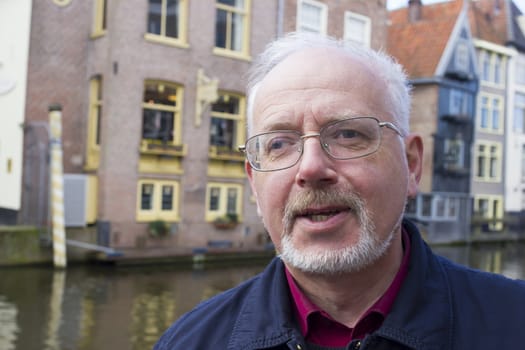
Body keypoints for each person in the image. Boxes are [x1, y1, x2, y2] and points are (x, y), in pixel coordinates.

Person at [154, 32, 525, 350]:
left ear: (411, 164)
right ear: (254, 181)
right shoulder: (190, 341)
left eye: (348, 134)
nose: (311, 167)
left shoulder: (513, 323)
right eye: (280, 143)